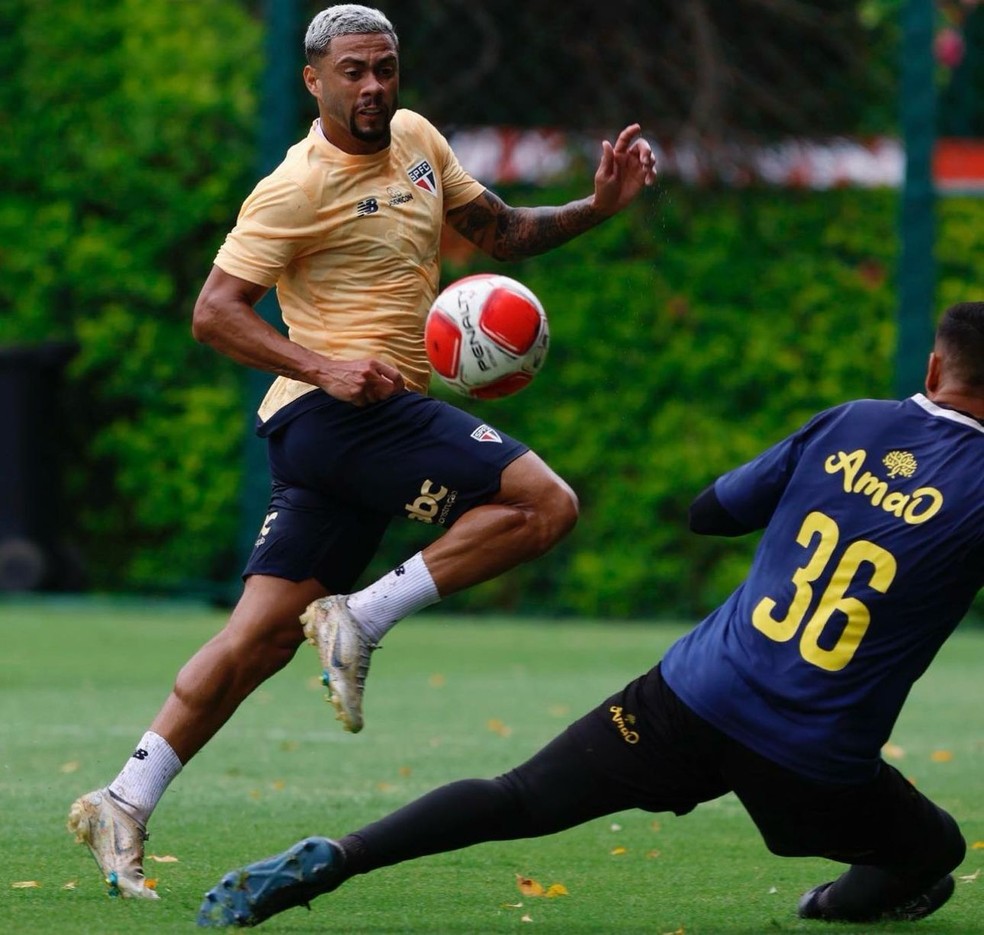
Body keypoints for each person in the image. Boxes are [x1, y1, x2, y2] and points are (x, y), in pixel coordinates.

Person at [66, 3, 656, 901]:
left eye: (384, 67)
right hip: (337, 414)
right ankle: (363, 617)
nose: (373, 85)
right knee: (545, 504)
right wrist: (325, 366)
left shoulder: (416, 137)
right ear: (314, 80)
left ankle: (122, 797)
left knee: (257, 640)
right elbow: (213, 312)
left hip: (353, 427)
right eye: (353, 70)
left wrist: (598, 205)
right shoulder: (294, 185)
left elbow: (500, 231)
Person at [195, 302, 984, 928]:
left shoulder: (852, 421)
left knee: (520, 797)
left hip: (690, 697)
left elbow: (710, 511)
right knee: (935, 851)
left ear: (935, 365)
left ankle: (340, 854)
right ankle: (829, 905)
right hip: (809, 761)